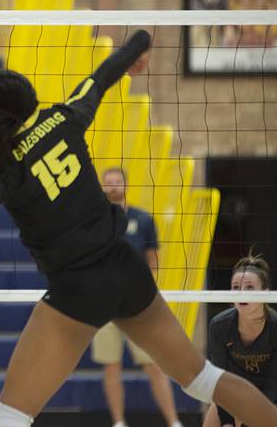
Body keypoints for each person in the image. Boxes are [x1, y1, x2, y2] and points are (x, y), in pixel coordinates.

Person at [0, 30, 277, 427]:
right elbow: (101, 76)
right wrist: (141, 43)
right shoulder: (64, 117)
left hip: (77, 288)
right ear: (28, 96)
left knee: (8, 415)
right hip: (124, 266)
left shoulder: (0, 169)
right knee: (202, 379)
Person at [92, 167, 182, 427]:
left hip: (137, 305)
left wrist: (146, 292)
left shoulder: (142, 219)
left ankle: (174, 422)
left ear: (126, 185)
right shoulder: (94, 220)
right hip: (105, 306)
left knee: (154, 365)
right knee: (111, 366)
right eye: (107, 183)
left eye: (116, 182)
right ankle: (119, 422)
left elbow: (152, 259)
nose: (112, 187)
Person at [204, 255, 277, 427]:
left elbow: (275, 382)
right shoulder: (218, 326)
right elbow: (218, 380)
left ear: (265, 293)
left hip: (276, 390)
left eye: (250, 287)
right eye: (236, 287)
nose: (242, 293)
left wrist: (250, 422)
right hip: (236, 388)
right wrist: (227, 422)